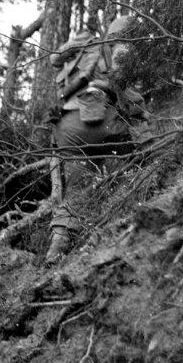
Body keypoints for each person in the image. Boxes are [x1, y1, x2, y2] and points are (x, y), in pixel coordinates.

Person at [45, 15, 142, 265]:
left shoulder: (80, 52)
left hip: (68, 125)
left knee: (76, 188)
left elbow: (54, 61)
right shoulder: (119, 51)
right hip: (104, 120)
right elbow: (127, 96)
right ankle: (126, 221)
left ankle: (58, 245)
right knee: (130, 165)